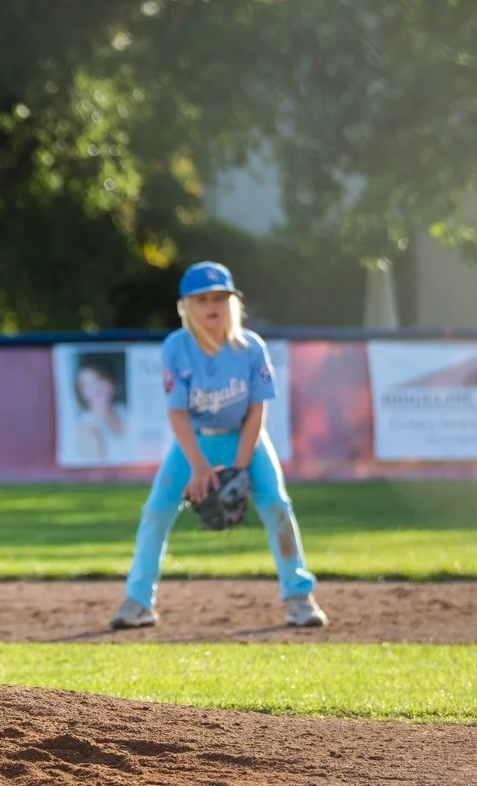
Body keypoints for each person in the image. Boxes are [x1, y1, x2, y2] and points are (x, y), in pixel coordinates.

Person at [109, 261, 328, 630]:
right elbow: (177, 414)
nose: (212, 306)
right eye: (202, 300)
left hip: (247, 440)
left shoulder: (250, 348)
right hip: (194, 444)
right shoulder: (176, 348)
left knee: (276, 505)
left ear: (233, 304)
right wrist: (197, 465)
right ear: (186, 307)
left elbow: (257, 411)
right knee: (156, 510)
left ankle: (298, 597)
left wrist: (240, 469)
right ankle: (138, 600)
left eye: (220, 299)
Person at [74, 356, 131, 463]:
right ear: (82, 394)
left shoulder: (124, 411)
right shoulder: (87, 430)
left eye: (98, 379)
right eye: (86, 385)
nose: (95, 388)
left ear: (111, 381)